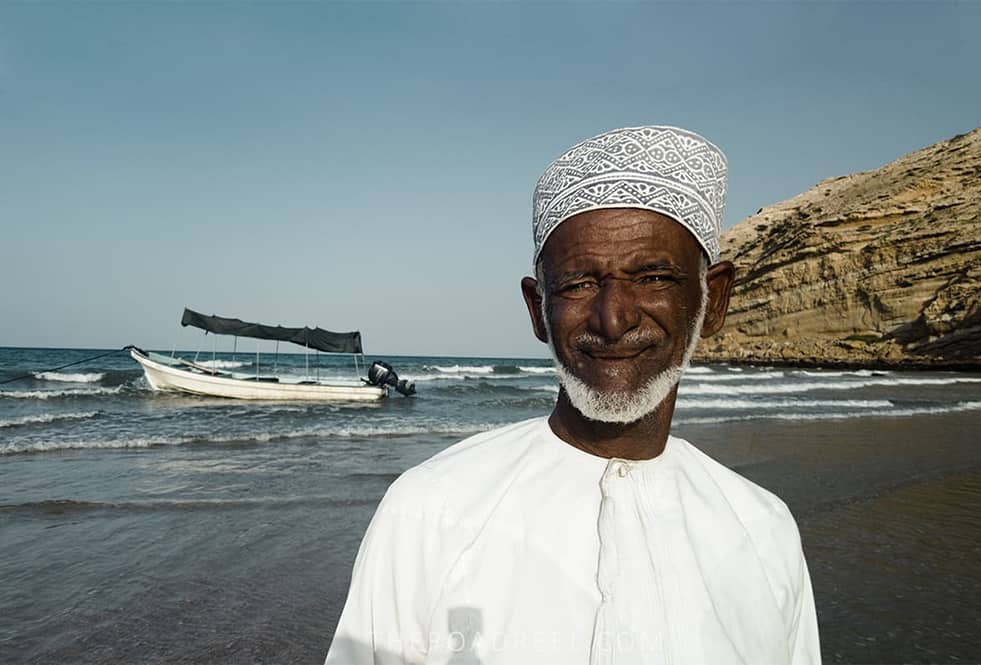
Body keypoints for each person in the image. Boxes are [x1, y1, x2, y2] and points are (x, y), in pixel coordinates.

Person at [326, 126, 822, 664]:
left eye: (654, 277)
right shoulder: (431, 509)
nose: (614, 319)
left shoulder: (762, 531)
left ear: (713, 299)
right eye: (579, 283)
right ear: (537, 307)